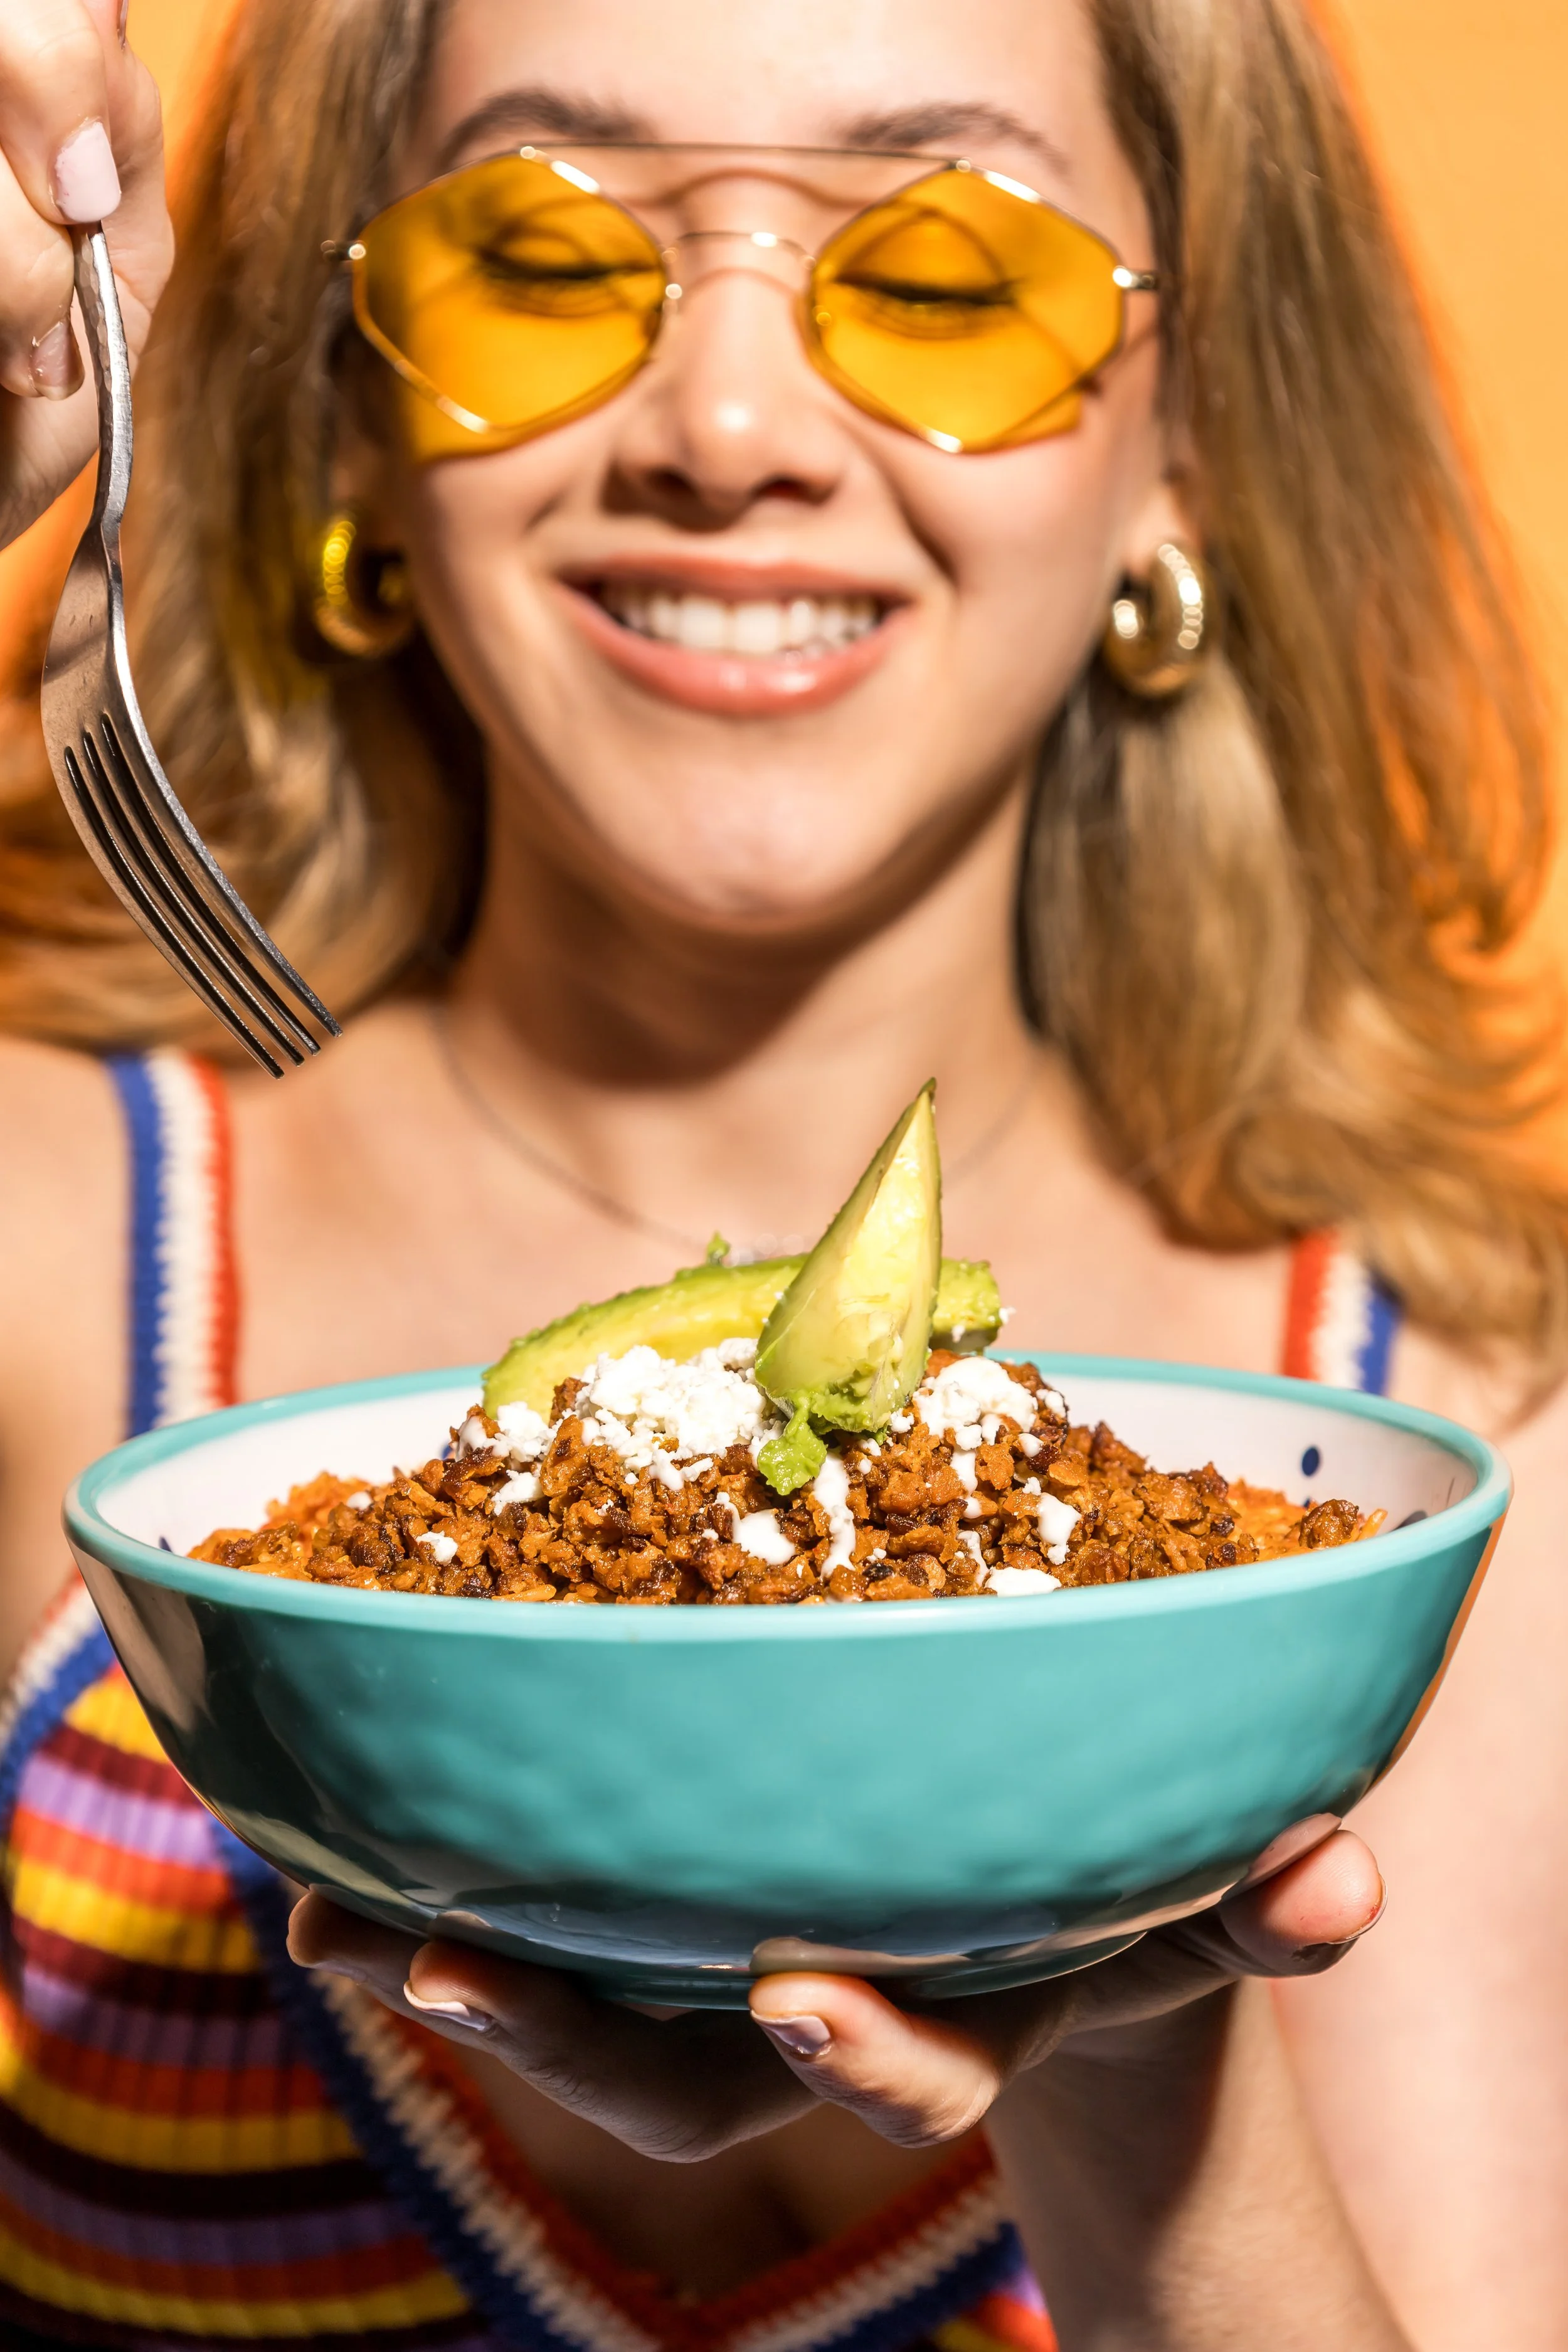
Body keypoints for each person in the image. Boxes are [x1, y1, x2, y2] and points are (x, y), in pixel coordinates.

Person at [0, 0, 1562, 2343]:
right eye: (538, 259)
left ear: (1190, 443)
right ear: (348, 409)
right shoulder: (42, 1236)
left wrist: (1124, 2039)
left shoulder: (1458, 1429)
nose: (724, 431)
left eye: (944, 279)